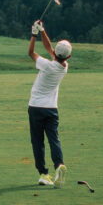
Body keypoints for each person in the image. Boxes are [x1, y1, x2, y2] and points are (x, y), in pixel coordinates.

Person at [27, 20, 72, 188]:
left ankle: (43, 174)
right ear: (68, 56)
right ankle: (59, 165)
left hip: (35, 107)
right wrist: (42, 30)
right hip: (52, 109)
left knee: (38, 142)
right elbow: (50, 49)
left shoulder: (46, 65)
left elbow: (31, 52)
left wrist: (33, 34)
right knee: (54, 139)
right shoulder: (64, 66)